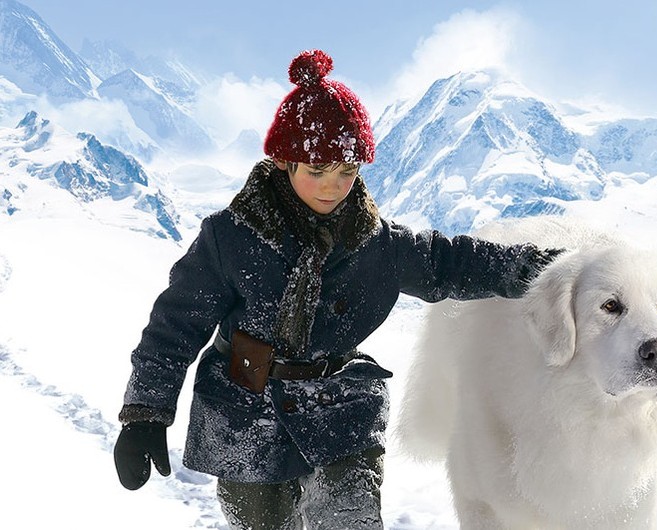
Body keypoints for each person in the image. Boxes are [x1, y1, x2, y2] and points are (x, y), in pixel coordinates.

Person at [113, 49, 561, 530]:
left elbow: (449, 261)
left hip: (340, 410)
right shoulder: (231, 236)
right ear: (284, 162)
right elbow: (175, 326)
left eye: (347, 172)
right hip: (246, 412)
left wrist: (544, 269)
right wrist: (145, 413)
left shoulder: (377, 243)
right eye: (317, 172)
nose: (332, 187)